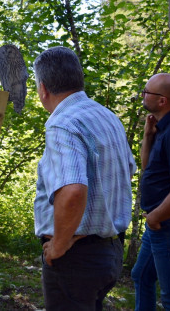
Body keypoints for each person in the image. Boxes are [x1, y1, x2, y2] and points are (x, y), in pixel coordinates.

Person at [33, 46, 136, 310]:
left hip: (75, 259)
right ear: (79, 79)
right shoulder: (107, 117)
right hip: (109, 252)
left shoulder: (63, 123)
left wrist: (58, 244)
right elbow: (128, 171)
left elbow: (72, 192)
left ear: (43, 89)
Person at [131, 73, 170, 310]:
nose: (142, 95)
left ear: (162, 100)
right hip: (159, 223)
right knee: (141, 276)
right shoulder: (162, 126)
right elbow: (148, 167)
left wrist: (154, 218)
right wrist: (147, 136)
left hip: (168, 223)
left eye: (146, 92)